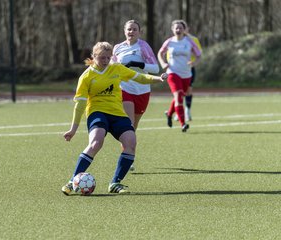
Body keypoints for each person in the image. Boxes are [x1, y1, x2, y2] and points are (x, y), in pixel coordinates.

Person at [61, 42, 166, 195]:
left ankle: (115, 183)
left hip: (117, 113)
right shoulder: (86, 76)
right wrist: (73, 129)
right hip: (97, 113)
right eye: (102, 58)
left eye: (108, 58)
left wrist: (158, 79)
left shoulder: (116, 68)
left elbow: (140, 77)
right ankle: (72, 182)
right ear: (94, 56)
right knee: (96, 142)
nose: (105, 61)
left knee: (131, 141)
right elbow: (80, 104)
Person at [111, 20, 160, 171]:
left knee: (134, 127)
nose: (131, 32)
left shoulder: (143, 47)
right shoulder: (118, 48)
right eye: (129, 29)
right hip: (124, 88)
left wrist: (139, 65)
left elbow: (156, 68)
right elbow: (111, 66)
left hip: (143, 90)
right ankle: (127, 158)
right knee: (129, 125)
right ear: (124, 31)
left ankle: (129, 152)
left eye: (134, 29)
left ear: (139, 32)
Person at [157, 20, 201, 132]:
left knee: (180, 96)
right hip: (172, 73)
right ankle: (183, 124)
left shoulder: (189, 41)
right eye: (176, 28)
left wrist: (194, 63)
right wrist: (163, 64)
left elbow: (199, 55)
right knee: (178, 96)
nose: (178, 30)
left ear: (184, 29)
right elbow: (160, 53)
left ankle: (169, 114)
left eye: (180, 28)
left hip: (186, 74)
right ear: (172, 30)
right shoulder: (169, 42)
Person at [173, 26, 202, 121]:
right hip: (176, 70)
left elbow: (198, 52)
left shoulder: (192, 40)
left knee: (188, 91)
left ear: (186, 29)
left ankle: (187, 110)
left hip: (189, 69)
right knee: (178, 91)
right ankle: (178, 112)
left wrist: (193, 62)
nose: (180, 30)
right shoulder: (172, 41)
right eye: (177, 28)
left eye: (182, 27)